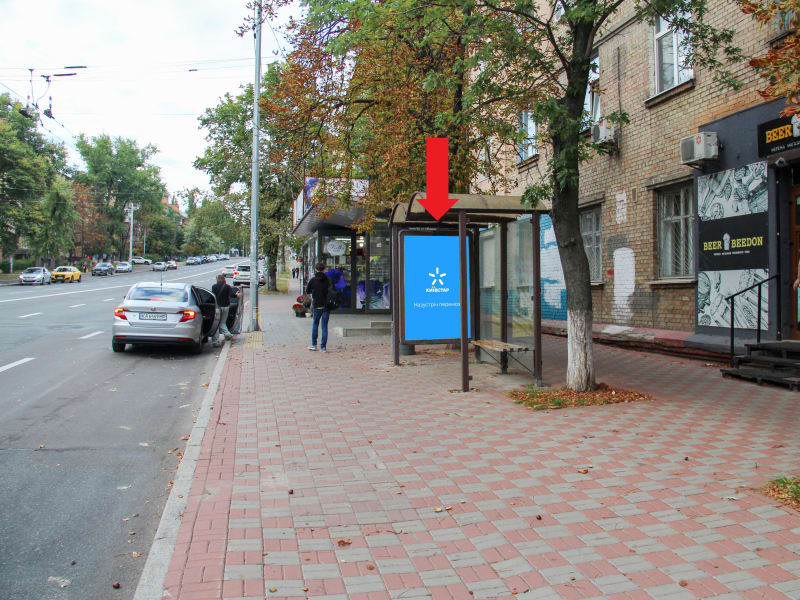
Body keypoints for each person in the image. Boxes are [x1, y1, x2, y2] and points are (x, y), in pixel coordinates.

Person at [305, 262, 331, 352]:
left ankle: (314, 345)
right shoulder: (328, 280)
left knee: (315, 324)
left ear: (316, 269)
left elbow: (308, 291)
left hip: (317, 305)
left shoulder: (313, 280)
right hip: (326, 306)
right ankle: (323, 347)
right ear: (324, 269)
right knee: (324, 326)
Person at [211, 274, 241, 347]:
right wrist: (236, 295)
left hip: (217, 307)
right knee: (222, 322)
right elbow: (232, 295)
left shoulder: (214, 286)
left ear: (217, 279)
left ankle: (216, 341)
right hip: (226, 307)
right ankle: (227, 334)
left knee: (216, 324)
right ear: (224, 279)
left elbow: (212, 296)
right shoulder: (227, 286)